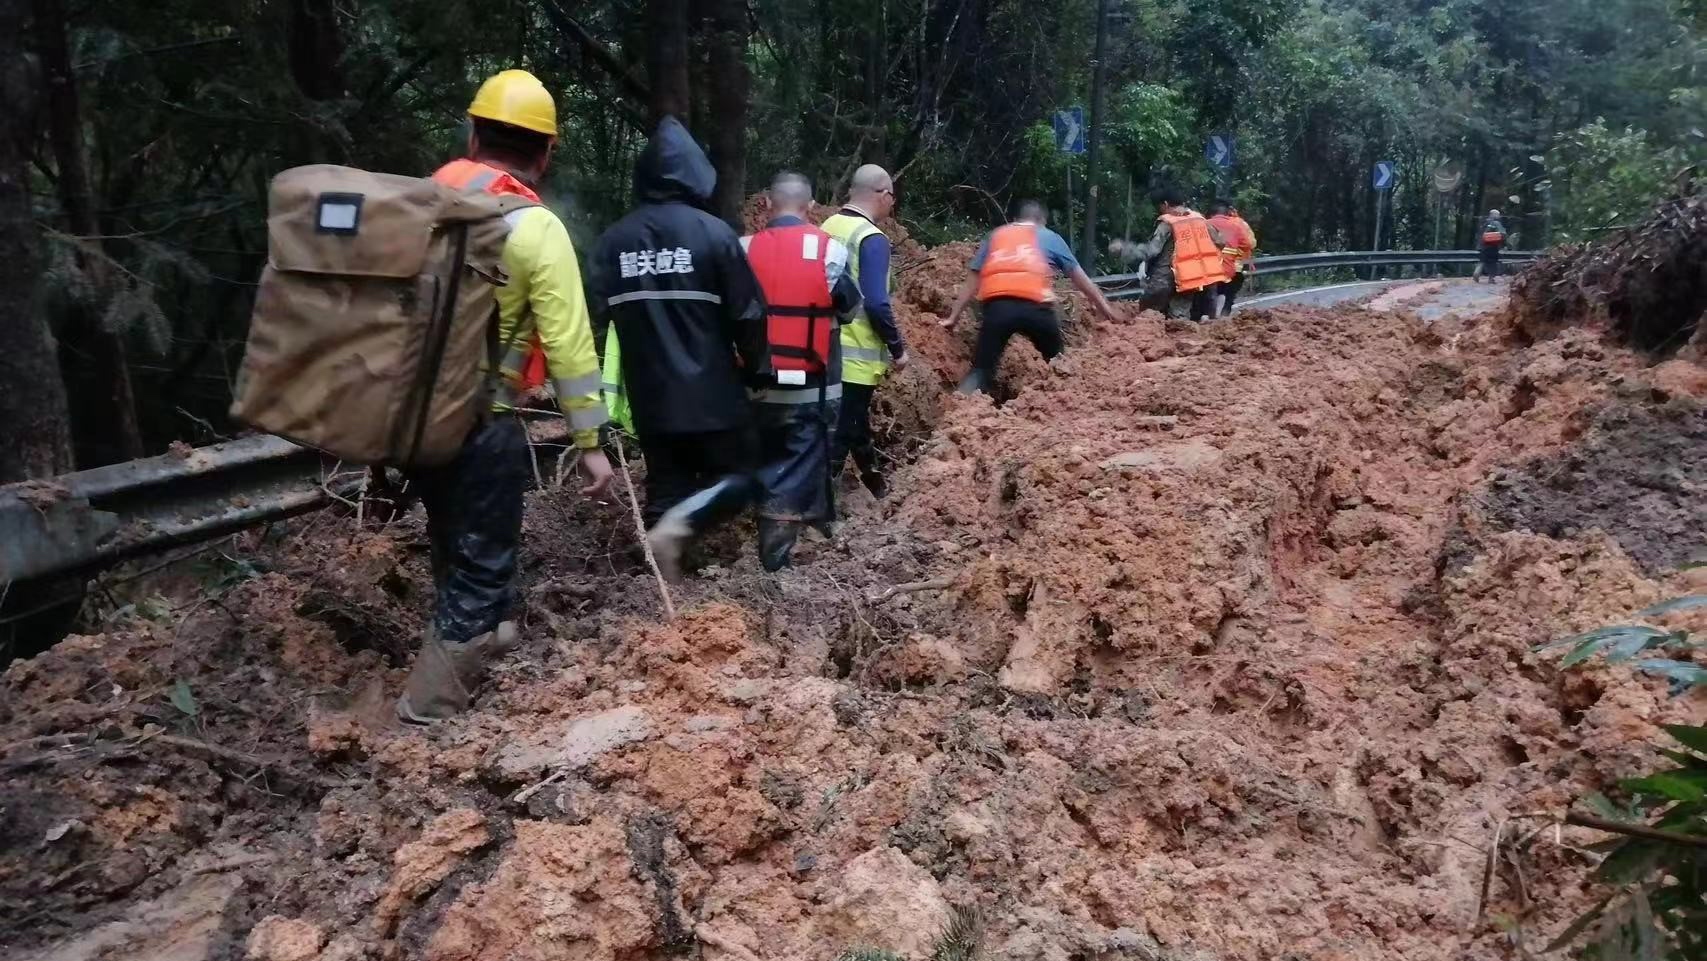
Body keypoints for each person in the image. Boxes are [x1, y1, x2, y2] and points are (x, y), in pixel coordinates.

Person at [399, 69, 614, 724]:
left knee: (452, 535)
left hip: (404, 413)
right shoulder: (535, 227)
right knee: (485, 565)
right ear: (544, 152)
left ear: (471, 134)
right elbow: (571, 346)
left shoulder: (417, 202)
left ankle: (472, 643)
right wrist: (591, 443)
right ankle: (427, 710)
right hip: (477, 423)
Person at [591, 117, 770, 581]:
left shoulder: (614, 242)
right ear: (697, 175)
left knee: (667, 484)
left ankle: (661, 597)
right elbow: (748, 315)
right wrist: (758, 372)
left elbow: (592, 318)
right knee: (743, 475)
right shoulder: (714, 235)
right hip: (712, 395)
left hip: (648, 397)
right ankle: (677, 531)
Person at [741, 172, 864, 569]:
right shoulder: (830, 251)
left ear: (766, 206)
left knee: (768, 455)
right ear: (811, 207)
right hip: (811, 388)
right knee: (801, 458)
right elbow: (849, 308)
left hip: (754, 388)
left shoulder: (742, 250)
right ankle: (775, 556)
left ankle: (814, 523)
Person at [940, 199, 1117, 394]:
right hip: (1037, 308)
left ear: (1015, 220)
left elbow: (972, 283)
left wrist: (952, 318)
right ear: (1042, 220)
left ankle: (963, 411)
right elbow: (1082, 281)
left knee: (981, 370)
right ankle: (1073, 404)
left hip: (998, 308)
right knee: (1060, 364)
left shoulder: (995, 236)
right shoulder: (1051, 237)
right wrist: (1107, 310)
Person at [821, 165, 909, 502]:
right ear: (882, 194)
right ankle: (820, 512)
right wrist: (897, 348)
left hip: (823, 344)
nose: (892, 204)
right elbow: (876, 303)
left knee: (852, 421)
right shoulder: (871, 238)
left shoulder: (828, 226)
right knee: (842, 431)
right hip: (855, 353)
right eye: (892, 197)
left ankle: (876, 484)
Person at [1121, 188, 1230, 321]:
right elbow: (1221, 242)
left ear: (1165, 204)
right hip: (1190, 278)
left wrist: (1125, 249)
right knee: (1178, 319)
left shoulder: (1168, 223)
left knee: (1148, 316)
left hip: (1164, 280)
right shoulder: (1200, 219)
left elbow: (1151, 250)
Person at [1207, 201, 1256, 316]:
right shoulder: (1237, 225)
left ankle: (1206, 315)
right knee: (1226, 294)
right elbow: (1248, 244)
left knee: (1207, 294)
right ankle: (1222, 316)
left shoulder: (1204, 224)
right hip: (1231, 267)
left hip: (1207, 267)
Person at [1477, 209, 1507, 283]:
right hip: (1493, 246)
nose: (1499, 216)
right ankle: (1491, 278)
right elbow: (1502, 234)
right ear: (1493, 215)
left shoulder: (1484, 223)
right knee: (1493, 263)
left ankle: (1476, 273)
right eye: (1498, 214)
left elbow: (1479, 235)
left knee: (1482, 261)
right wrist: (1504, 243)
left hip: (1483, 246)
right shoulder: (1496, 223)